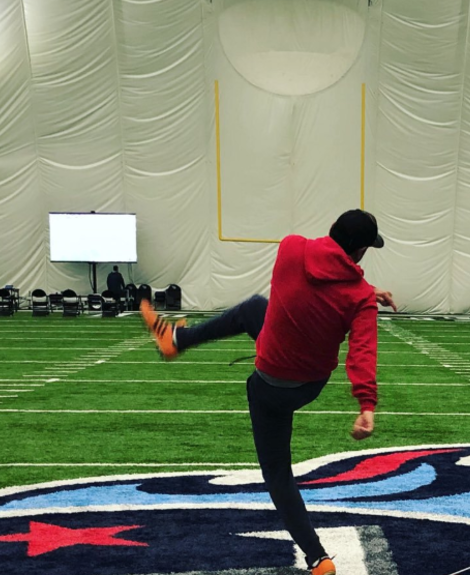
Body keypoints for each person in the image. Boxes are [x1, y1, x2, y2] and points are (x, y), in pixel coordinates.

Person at [140, 209, 393, 575]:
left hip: (271, 380)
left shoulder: (291, 249)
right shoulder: (360, 298)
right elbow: (363, 351)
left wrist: (364, 291)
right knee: (254, 311)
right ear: (361, 252)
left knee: (276, 471)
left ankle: (319, 560)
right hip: (308, 384)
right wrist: (366, 405)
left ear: (331, 230)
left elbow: (319, 272)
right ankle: (317, 561)